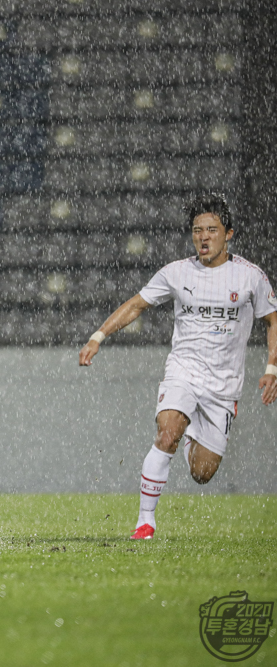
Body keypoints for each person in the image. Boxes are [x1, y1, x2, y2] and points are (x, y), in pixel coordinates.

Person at [79, 193, 277, 540]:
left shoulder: (250, 277)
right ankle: (145, 522)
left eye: (211, 230)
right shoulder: (177, 272)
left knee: (202, 473)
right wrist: (99, 335)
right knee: (168, 432)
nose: (203, 237)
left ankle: (191, 434)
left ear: (228, 234)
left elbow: (272, 320)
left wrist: (272, 367)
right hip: (183, 371)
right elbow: (137, 304)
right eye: (197, 230)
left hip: (224, 384)